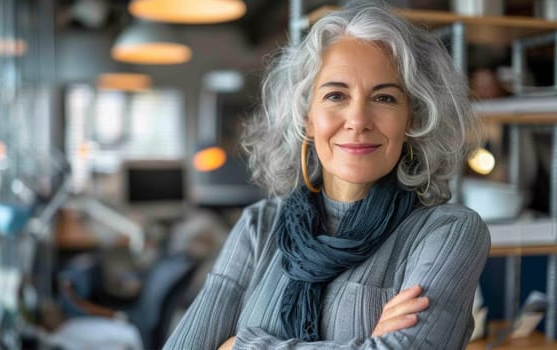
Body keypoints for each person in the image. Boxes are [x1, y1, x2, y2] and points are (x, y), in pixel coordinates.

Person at [164, 1, 490, 349]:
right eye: (336, 95)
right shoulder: (259, 226)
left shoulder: (449, 231)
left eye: (385, 98)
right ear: (307, 116)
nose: (358, 119)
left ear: (412, 118)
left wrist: (240, 345)